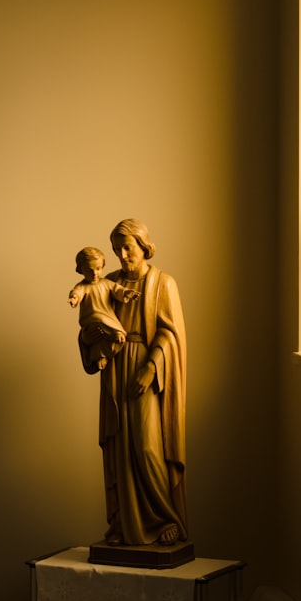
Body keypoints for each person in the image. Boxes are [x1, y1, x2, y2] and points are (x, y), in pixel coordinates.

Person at [79, 219, 189, 547]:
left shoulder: (163, 283)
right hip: (115, 366)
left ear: (144, 245)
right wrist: (91, 336)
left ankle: (165, 518)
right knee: (120, 447)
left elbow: (171, 333)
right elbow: (90, 318)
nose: (122, 255)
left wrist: (151, 368)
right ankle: (124, 525)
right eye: (116, 249)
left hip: (147, 369)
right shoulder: (108, 282)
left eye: (128, 247)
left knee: (147, 447)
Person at [69, 247, 141, 371]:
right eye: (89, 270)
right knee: (101, 338)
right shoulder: (83, 286)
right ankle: (99, 357)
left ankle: (105, 357)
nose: (94, 273)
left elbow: (117, 289)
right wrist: (74, 298)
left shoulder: (106, 283)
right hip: (93, 319)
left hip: (107, 318)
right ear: (81, 270)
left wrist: (126, 292)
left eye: (98, 269)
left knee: (119, 338)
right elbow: (77, 292)